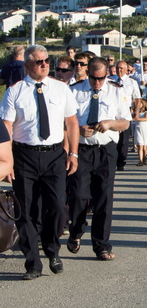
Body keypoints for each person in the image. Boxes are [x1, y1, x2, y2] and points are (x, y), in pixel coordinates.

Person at [0, 45, 79, 279]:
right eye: (38, 61)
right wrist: (7, 161)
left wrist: (73, 153)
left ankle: (52, 250)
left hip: (54, 155)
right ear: (27, 65)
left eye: (46, 61)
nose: (44, 65)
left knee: (56, 206)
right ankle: (32, 262)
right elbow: (7, 127)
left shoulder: (61, 89)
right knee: (25, 210)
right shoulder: (15, 91)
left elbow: (71, 122)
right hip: (24, 156)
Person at [67, 56, 130, 260]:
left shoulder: (116, 90)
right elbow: (65, 120)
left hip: (105, 149)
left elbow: (125, 122)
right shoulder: (75, 91)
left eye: (101, 78)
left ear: (107, 74)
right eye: (94, 78)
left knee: (104, 197)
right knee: (78, 195)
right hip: (82, 149)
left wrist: (110, 124)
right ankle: (76, 231)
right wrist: (79, 129)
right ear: (88, 74)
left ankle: (101, 245)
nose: (97, 83)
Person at [110, 60, 140, 171]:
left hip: (125, 113)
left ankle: (121, 161)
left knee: (123, 141)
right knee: (112, 139)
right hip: (112, 113)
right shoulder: (110, 81)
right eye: (117, 68)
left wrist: (136, 111)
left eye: (121, 68)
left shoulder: (131, 82)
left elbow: (137, 98)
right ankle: (112, 160)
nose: (119, 70)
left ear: (126, 69)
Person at [131, 96, 147, 165]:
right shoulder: (136, 112)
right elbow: (132, 116)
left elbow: (145, 119)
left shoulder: (146, 112)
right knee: (140, 146)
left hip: (144, 130)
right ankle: (140, 160)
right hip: (138, 130)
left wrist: (138, 119)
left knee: (144, 147)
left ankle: (144, 159)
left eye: (140, 103)